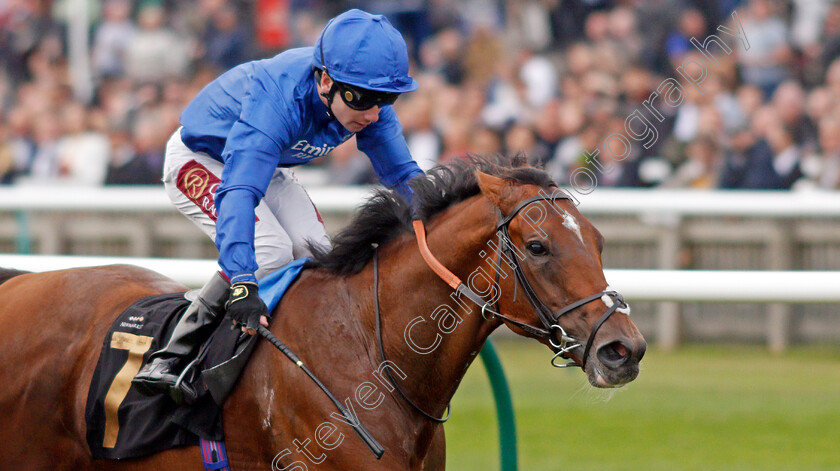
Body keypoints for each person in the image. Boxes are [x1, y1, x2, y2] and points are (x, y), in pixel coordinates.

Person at [132, 9, 423, 401]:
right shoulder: (278, 96)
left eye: (386, 100)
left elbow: (405, 177)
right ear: (325, 80)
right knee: (268, 250)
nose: (374, 113)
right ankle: (173, 354)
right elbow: (238, 189)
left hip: (264, 166)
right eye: (363, 99)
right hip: (200, 159)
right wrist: (242, 283)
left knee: (314, 254)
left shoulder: (363, 99)